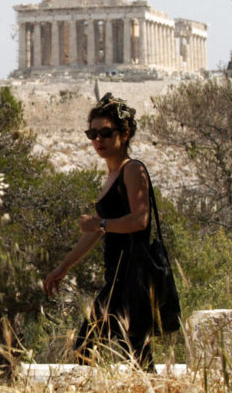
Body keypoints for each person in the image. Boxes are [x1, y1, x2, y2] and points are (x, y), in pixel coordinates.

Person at [43, 93, 155, 370]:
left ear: (125, 134)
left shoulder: (133, 170)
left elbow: (139, 220)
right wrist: (63, 268)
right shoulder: (112, 175)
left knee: (89, 347)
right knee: (134, 355)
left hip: (132, 277)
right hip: (116, 276)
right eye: (92, 133)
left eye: (106, 133)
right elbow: (94, 232)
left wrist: (101, 224)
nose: (98, 141)